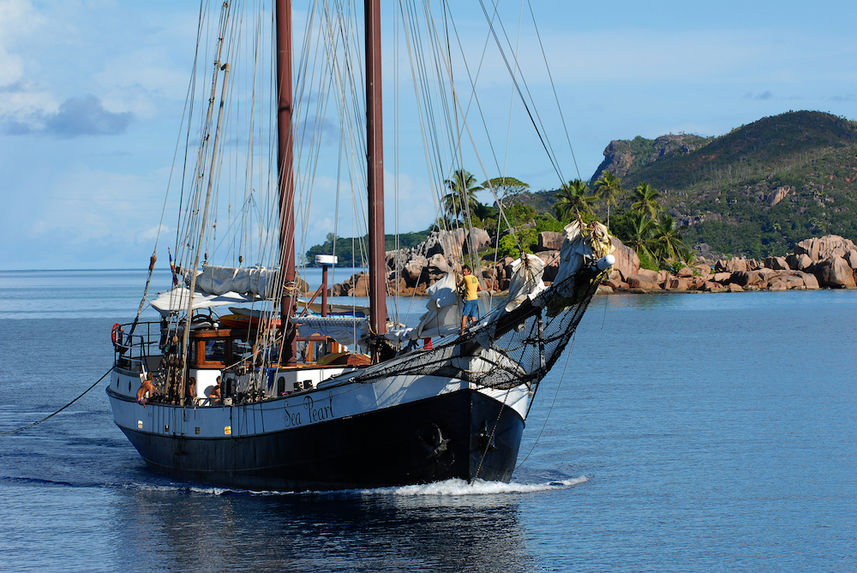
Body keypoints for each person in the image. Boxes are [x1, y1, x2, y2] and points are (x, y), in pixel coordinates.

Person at [457, 264, 481, 335]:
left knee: (464, 317)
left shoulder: (465, 278)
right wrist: (473, 291)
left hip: (469, 300)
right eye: (463, 272)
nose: (464, 273)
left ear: (469, 272)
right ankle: (475, 331)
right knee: (473, 316)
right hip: (475, 299)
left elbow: (459, 285)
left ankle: (462, 333)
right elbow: (480, 288)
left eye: (465, 272)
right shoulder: (475, 278)